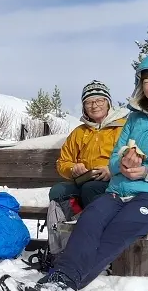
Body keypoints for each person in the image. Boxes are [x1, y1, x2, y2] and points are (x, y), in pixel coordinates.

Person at [1, 53, 148, 291]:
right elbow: (113, 161)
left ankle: (62, 286)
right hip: (118, 191)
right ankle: (54, 284)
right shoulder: (135, 119)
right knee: (90, 220)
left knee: (117, 228)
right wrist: (122, 163)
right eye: (147, 81)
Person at [51, 80, 128, 208]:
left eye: (99, 100)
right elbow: (63, 162)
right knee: (58, 191)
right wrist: (73, 169)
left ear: (108, 103)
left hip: (115, 180)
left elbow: (134, 156)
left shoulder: (124, 127)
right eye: (88, 102)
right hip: (85, 180)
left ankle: (94, 219)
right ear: (84, 107)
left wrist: (112, 170)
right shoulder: (79, 132)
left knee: (90, 188)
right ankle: (73, 219)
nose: (94, 105)